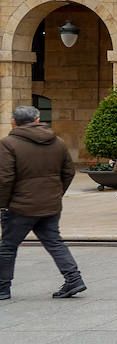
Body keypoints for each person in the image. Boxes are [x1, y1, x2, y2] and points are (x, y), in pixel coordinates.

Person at [0, 105, 85, 300]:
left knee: (8, 246)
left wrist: (3, 204)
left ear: (14, 121)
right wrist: (56, 193)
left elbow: (4, 178)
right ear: (37, 120)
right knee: (54, 242)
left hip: (20, 206)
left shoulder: (8, 143)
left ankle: (2, 287)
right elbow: (69, 172)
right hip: (50, 204)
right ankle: (74, 278)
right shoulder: (58, 142)